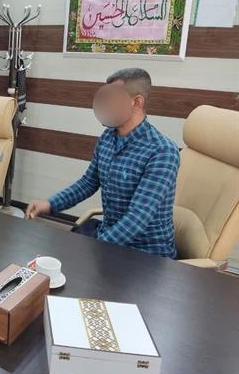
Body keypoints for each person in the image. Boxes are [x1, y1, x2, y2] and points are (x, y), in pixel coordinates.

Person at [25, 68, 180, 258]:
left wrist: (96, 249)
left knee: (71, 263)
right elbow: (88, 183)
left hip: (146, 252)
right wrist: (49, 204)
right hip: (108, 237)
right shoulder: (108, 137)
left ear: (137, 102)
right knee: (48, 254)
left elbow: (137, 219)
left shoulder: (162, 151)